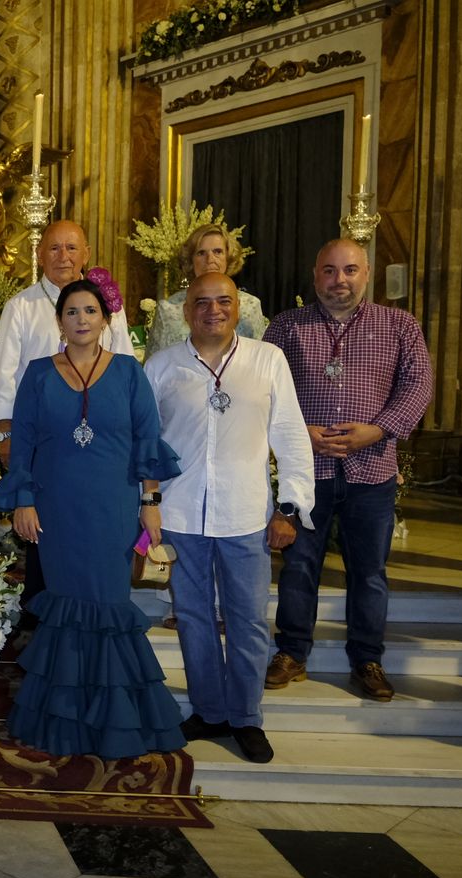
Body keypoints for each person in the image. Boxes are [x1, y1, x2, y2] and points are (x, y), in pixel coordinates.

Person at [0, 280, 184, 759]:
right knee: (67, 607)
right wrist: (24, 501)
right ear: (60, 321)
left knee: (108, 605)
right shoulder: (37, 374)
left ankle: (116, 719)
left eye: (90, 311)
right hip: (56, 509)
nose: (81, 319)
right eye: (72, 311)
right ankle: (63, 722)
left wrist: (151, 501)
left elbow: (147, 437)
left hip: (113, 507)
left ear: (104, 319)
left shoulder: (127, 372)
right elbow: (26, 442)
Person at [145, 273, 313, 763]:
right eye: (202, 302)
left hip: (247, 514)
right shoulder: (161, 367)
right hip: (180, 514)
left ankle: (245, 717)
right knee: (194, 618)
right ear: (186, 310)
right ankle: (209, 710)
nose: (213, 310)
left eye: (223, 301)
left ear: (238, 308)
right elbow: (145, 444)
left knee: (247, 621)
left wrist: (289, 508)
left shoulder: (267, 360)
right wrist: (148, 503)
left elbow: (291, 436)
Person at [264, 239, 432, 702]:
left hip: (372, 470)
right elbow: (261, 387)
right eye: (330, 271)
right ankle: (292, 652)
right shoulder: (286, 327)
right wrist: (301, 430)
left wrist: (378, 430)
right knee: (299, 566)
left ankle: (367, 659)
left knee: (370, 571)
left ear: (367, 273)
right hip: (306, 470)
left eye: (350, 270)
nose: (340, 280)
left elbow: (419, 384)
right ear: (315, 274)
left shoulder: (400, 325)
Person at [0, 220, 131, 626]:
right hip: (41, 440)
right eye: (54, 249)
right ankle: (41, 625)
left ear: (86, 254)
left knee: (96, 532)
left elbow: (123, 368)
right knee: (41, 532)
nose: (63, 257)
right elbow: (5, 374)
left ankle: (93, 619)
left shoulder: (107, 308)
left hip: (100, 443)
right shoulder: (22, 306)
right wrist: (5, 434)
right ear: (39, 255)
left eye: (71, 248)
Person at [145, 223, 268, 356]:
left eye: (217, 252)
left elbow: (260, 359)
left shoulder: (250, 305)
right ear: (190, 261)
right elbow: (153, 366)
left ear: (229, 257)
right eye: (201, 253)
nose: (210, 259)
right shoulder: (168, 309)